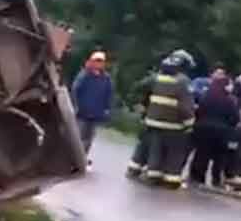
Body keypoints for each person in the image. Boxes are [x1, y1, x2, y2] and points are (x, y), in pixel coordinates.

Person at [127, 52, 195, 188]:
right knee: (174, 153)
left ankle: (142, 172)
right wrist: (189, 124)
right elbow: (186, 107)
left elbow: (137, 89)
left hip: (152, 122)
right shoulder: (183, 82)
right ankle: (171, 181)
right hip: (173, 127)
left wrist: (141, 107)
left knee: (150, 148)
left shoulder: (156, 77)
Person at [189, 76, 239, 187]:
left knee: (201, 154)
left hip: (202, 130)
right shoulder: (230, 100)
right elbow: (234, 118)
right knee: (219, 156)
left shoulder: (205, 97)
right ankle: (216, 180)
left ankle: (196, 178)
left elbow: (198, 112)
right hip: (222, 132)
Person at [71, 50, 113, 159]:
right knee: (78, 137)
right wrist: (76, 105)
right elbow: (75, 90)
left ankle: (83, 158)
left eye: (101, 61)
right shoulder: (84, 75)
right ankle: (74, 158)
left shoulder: (106, 78)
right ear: (92, 61)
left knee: (89, 138)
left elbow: (108, 95)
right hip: (82, 112)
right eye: (97, 60)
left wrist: (107, 109)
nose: (99, 63)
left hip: (96, 113)